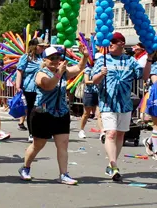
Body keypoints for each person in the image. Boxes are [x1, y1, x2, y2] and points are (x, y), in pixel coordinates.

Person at [19, 46, 87, 184]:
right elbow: (48, 85)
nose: (56, 60)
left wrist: (85, 56)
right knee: (38, 144)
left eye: (57, 57)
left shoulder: (62, 72)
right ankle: (25, 167)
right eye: (52, 58)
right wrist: (59, 73)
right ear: (44, 60)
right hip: (43, 113)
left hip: (61, 112)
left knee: (63, 144)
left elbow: (79, 68)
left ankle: (64, 174)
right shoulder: (40, 73)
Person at [91, 32, 144, 180]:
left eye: (114, 41)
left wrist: (150, 58)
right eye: (109, 42)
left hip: (125, 103)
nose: (111, 44)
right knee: (111, 133)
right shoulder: (103, 60)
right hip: (107, 102)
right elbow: (93, 80)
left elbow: (142, 75)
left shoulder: (130, 60)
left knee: (120, 134)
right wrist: (101, 74)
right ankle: (114, 166)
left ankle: (111, 163)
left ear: (122, 43)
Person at [15, 39, 45, 141]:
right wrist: (18, 86)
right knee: (31, 110)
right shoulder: (26, 57)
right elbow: (19, 71)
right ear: (34, 46)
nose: (43, 48)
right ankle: (32, 133)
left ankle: (39, 130)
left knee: (42, 110)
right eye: (41, 46)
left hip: (42, 87)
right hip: (30, 88)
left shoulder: (42, 57)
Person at [78, 53, 99, 141]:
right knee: (86, 113)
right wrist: (96, 81)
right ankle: (81, 130)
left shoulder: (102, 70)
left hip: (99, 93)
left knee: (99, 114)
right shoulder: (88, 69)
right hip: (89, 93)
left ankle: (102, 132)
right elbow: (86, 81)